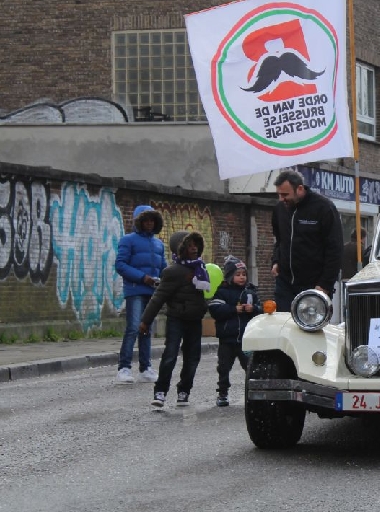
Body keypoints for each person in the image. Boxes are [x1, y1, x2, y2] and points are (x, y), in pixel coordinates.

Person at [139, 230, 210, 409]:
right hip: (176, 319)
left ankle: (184, 391)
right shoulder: (172, 271)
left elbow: (208, 295)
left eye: (196, 245)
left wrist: (206, 308)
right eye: (189, 245)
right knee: (170, 356)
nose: (194, 249)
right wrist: (146, 321)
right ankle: (160, 392)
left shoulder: (201, 269)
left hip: (195, 320)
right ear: (181, 248)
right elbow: (158, 298)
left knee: (192, 358)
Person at [271, 170, 344, 310]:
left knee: (308, 324)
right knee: (283, 322)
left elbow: (335, 249)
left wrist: (325, 285)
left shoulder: (324, 208)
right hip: (285, 284)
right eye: (279, 194)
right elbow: (279, 240)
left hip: (313, 285)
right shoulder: (280, 209)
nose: (281, 199)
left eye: (285, 195)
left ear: (299, 188)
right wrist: (276, 260)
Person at [113, 205, 166, 384]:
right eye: (146, 220)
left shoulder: (159, 244)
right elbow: (120, 265)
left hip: (152, 292)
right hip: (135, 290)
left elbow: (163, 267)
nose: (149, 223)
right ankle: (124, 368)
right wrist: (143, 278)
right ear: (139, 222)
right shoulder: (128, 240)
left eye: (152, 220)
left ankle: (145, 368)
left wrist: (165, 279)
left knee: (146, 329)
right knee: (134, 327)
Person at [208, 256, 260, 407]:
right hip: (227, 339)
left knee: (250, 367)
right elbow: (215, 309)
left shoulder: (250, 292)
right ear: (230, 276)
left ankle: (254, 392)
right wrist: (233, 309)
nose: (242, 277)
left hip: (246, 339)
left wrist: (253, 309)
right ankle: (222, 393)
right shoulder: (222, 291)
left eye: (244, 274)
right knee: (224, 367)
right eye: (238, 274)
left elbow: (261, 310)